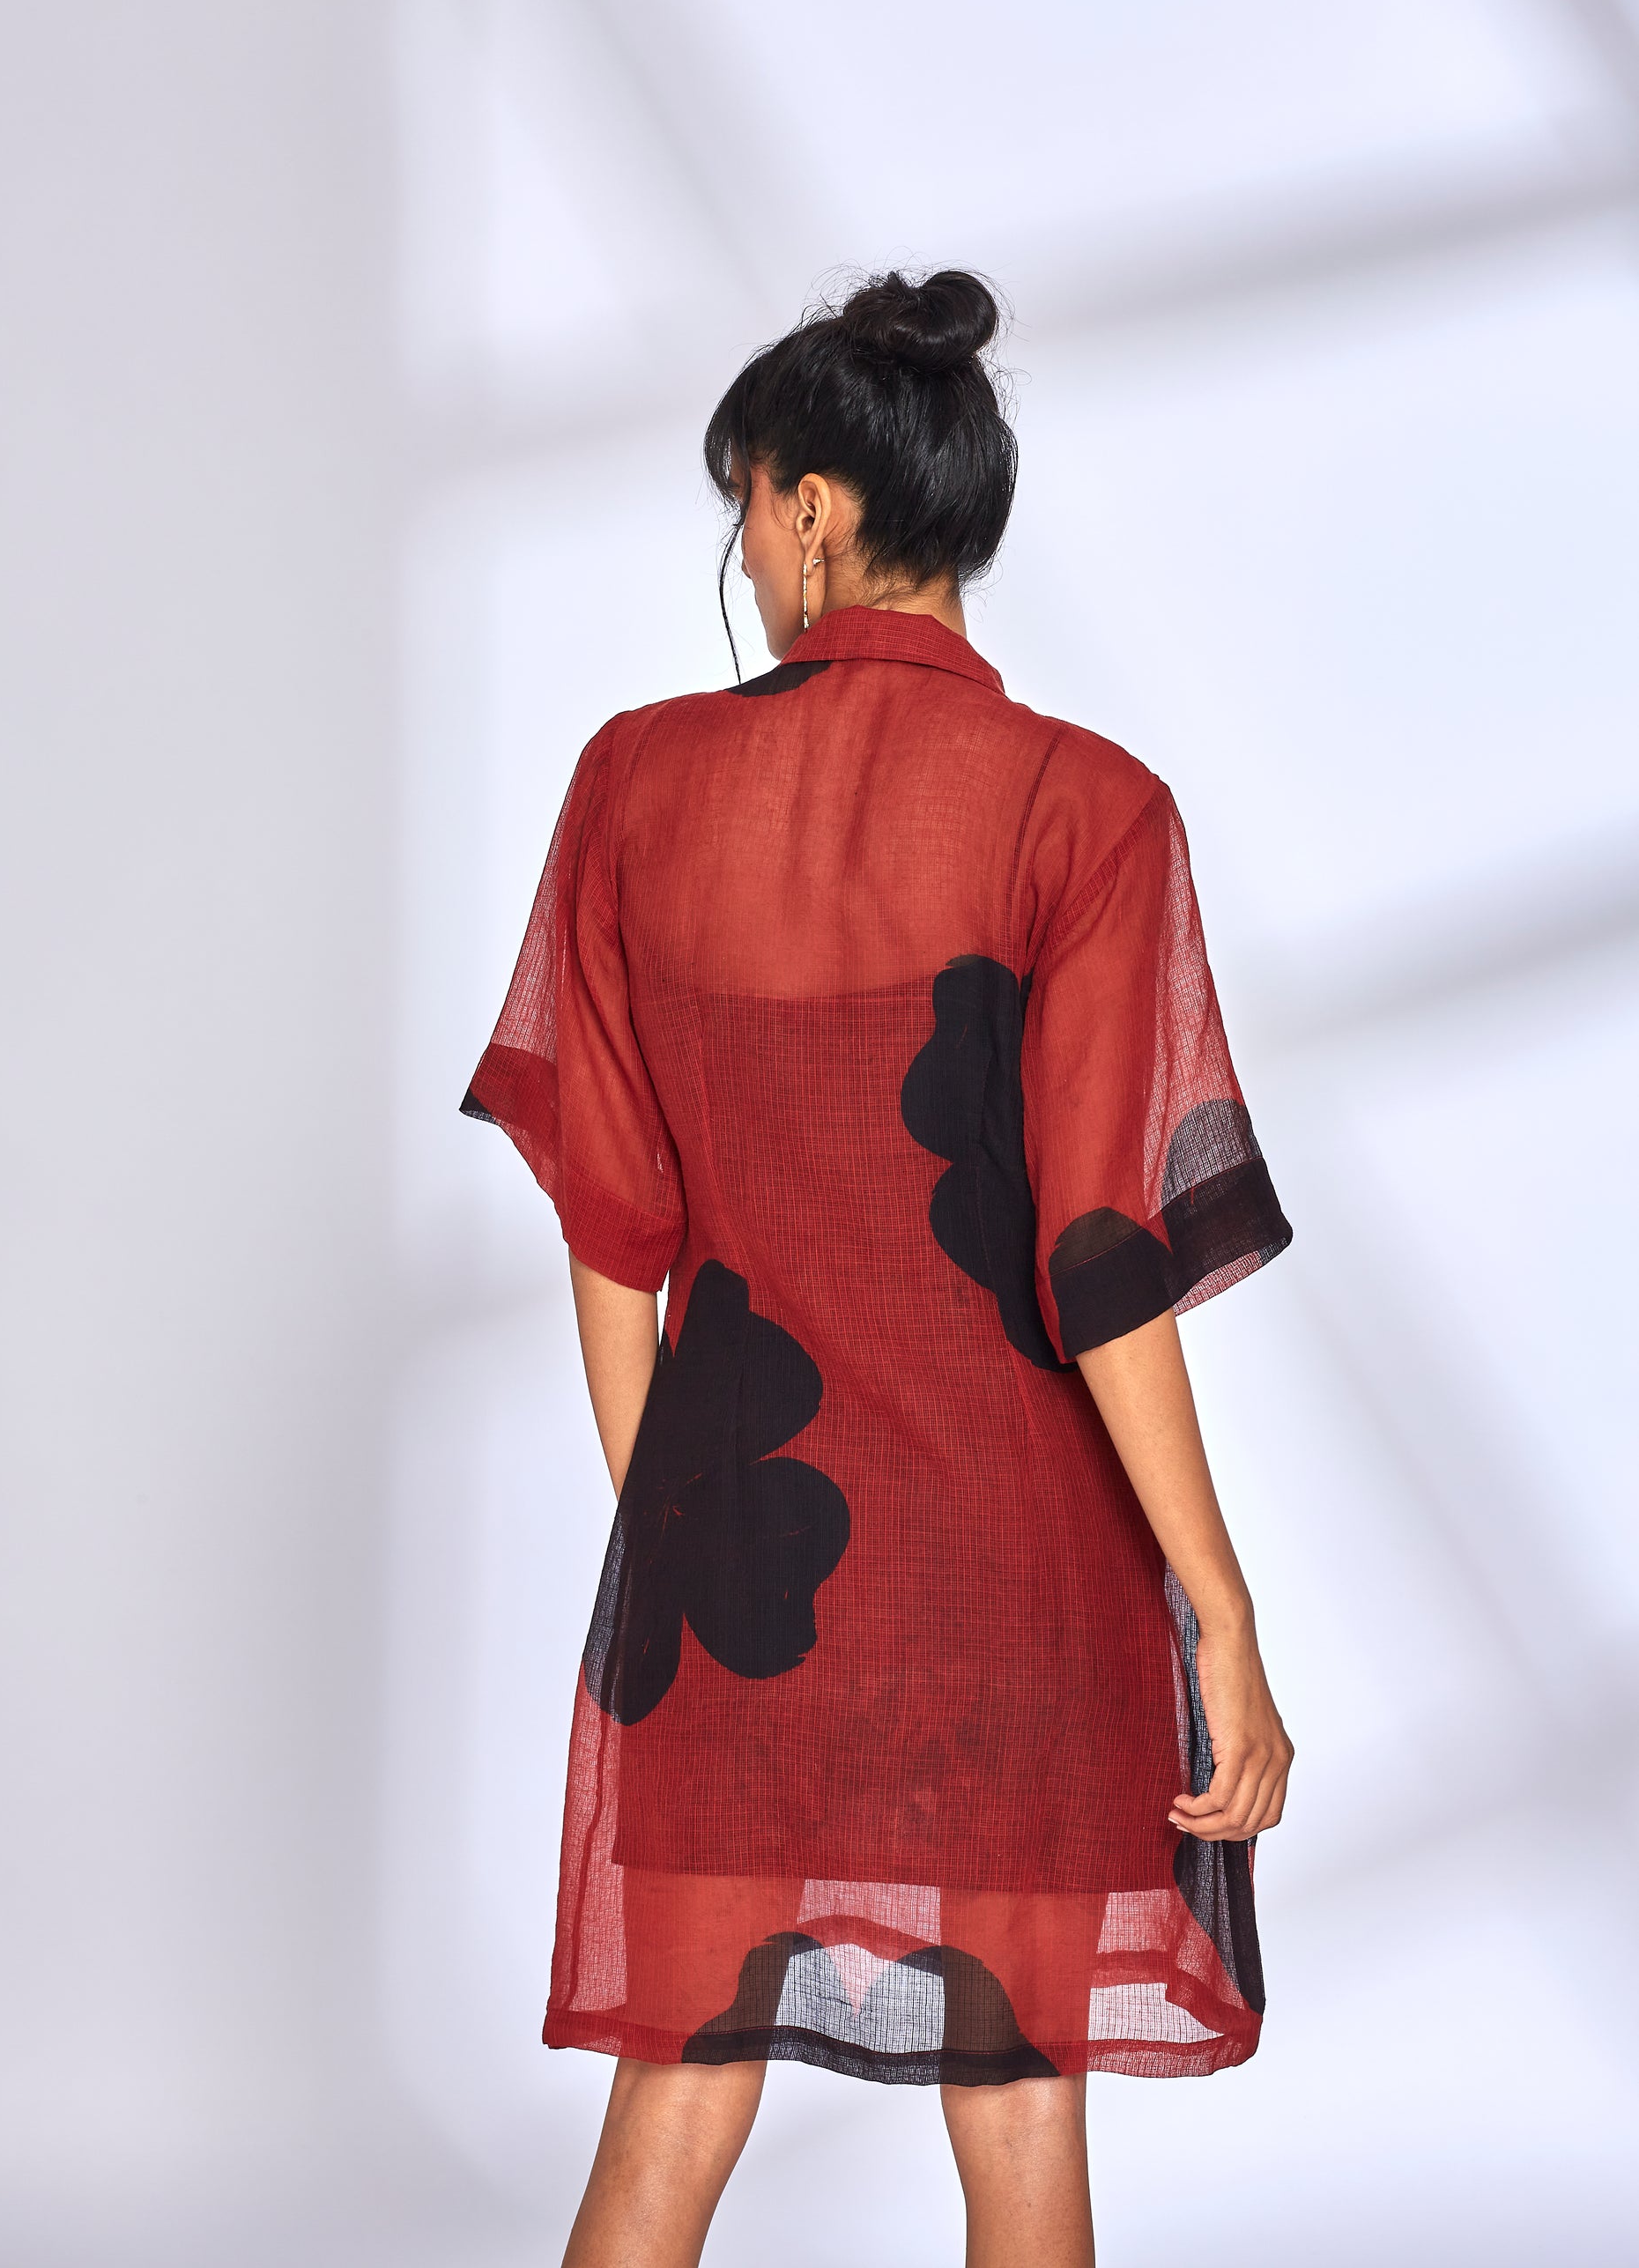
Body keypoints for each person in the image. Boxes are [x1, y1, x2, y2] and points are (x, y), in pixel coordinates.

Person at [462, 268, 1294, 2268]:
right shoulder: (1087, 809)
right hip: (1016, 1589)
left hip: (750, 1567)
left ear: (815, 504)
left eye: (747, 511)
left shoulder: (633, 784)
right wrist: (1219, 1605)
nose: (746, 556)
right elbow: (1101, 1260)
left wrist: (682, 1526)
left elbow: (612, 1219)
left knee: (673, 2094)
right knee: (1016, 2105)